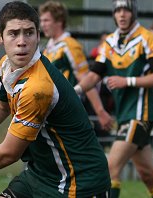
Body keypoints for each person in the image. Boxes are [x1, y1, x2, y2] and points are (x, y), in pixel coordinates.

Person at [0, 1, 111, 197]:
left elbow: (10, 152)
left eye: (28, 33)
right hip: (41, 174)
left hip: (79, 183)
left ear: (38, 35)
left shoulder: (38, 88)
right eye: (13, 33)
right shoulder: (5, 66)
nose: (22, 41)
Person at [74, 0, 153, 197]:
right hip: (124, 116)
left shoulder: (149, 39)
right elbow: (95, 74)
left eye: (126, 10)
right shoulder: (110, 43)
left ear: (134, 13)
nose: (122, 14)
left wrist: (128, 81)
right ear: (113, 14)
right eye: (118, 10)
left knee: (110, 169)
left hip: (140, 115)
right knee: (149, 176)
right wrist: (76, 90)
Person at [39, 1, 113, 132]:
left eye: (46, 20)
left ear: (59, 21)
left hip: (67, 110)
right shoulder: (48, 47)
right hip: (51, 110)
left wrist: (100, 112)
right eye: (41, 20)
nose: (42, 25)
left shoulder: (70, 45)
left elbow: (86, 79)